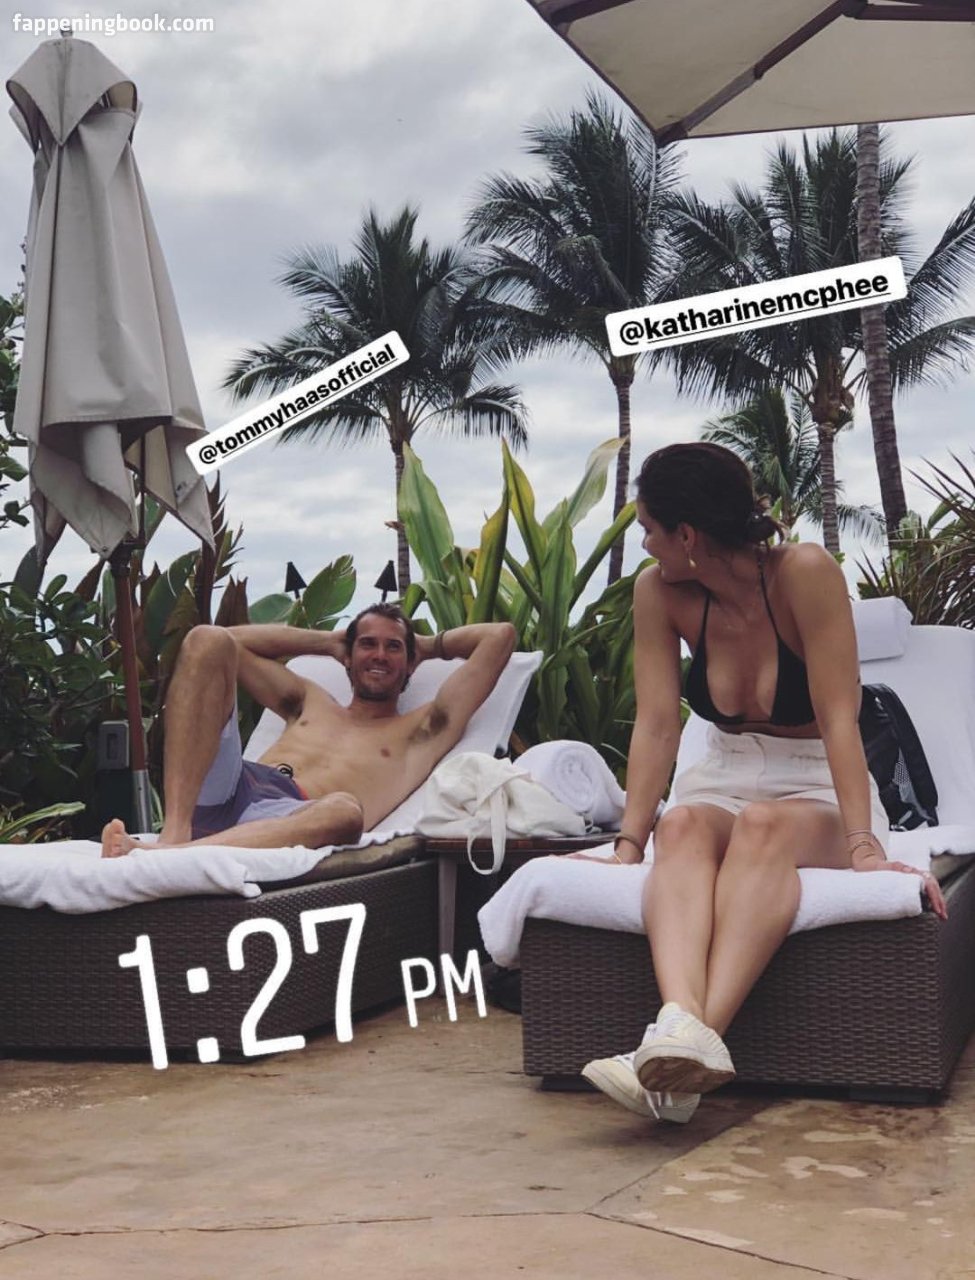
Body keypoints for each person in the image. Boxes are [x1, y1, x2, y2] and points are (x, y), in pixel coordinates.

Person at [580, 442, 946, 1125]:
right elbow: (657, 725)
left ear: (687, 535)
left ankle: (682, 1046)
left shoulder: (803, 572)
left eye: (649, 530)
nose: (645, 546)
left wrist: (864, 846)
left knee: (762, 827)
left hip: (814, 777)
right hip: (722, 770)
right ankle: (680, 1042)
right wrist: (628, 844)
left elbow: (839, 718)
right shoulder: (658, 592)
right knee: (679, 825)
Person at [101, 605, 516, 857]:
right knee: (206, 639)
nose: (379, 654)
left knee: (346, 812)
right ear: (348, 657)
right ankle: (174, 836)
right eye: (367, 644)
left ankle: (177, 856)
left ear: (411, 662)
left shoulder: (423, 729)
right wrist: (325, 642)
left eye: (393, 647)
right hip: (234, 784)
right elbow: (223, 642)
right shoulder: (308, 701)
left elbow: (500, 637)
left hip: (291, 815)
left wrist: (424, 646)